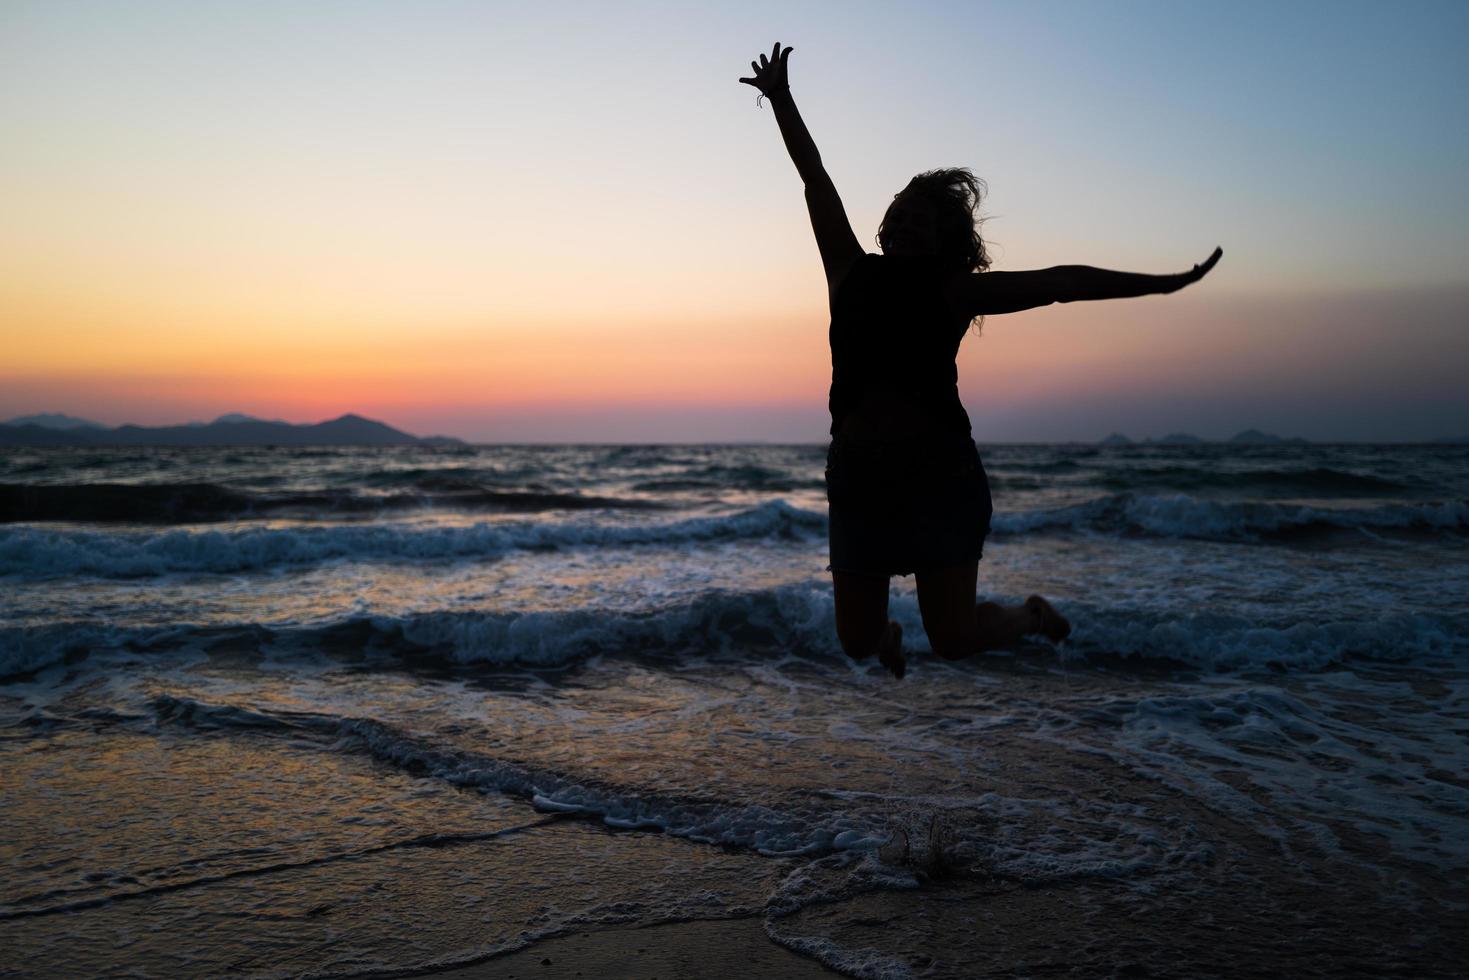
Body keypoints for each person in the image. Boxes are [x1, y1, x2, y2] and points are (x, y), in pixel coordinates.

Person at [740, 43, 1221, 679]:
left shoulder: (955, 290)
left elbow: (1060, 280)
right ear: (886, 224)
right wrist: (781, 99)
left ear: (947, 240)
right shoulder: (847, 269)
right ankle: (885, 633)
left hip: (939, 476)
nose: (908, 227)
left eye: (924, 222)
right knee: (855, 643)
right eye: (901, 217)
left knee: (954, 640)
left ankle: (1030, 615)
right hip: (858, 477)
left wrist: (1161, 284)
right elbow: (816, 177)